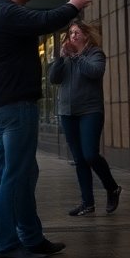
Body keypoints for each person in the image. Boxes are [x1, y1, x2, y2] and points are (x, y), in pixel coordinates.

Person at [0, 0, 92, 258]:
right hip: (15, 105)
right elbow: (44, 20)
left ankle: (30, 237)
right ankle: (7, 245)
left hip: (0, 106)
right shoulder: (6, 11)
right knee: (14, 175)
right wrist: (72, 6)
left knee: (19, 173)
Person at [47, 21, 121, 216]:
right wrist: (60, 59)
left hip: (90, 111)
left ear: (86, 36)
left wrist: (77, 56)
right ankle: (87, 203)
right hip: (67, 112)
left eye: (77, 32)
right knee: (79, 159)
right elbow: (54, 79)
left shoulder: (95, 54)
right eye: (70, 33)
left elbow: (95, 72)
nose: (73, 36)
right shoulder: (66, 57)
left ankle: (112, 187)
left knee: (90, 154)